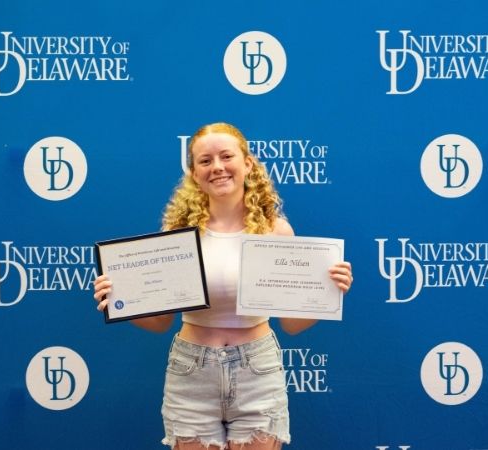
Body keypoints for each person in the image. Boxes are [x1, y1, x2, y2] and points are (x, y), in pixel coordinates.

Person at [93, 122, 353, 450]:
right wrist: (120, 300)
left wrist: (328, 291)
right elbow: (159, 323)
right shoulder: (177, 234)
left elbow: (292, 324)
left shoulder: (276, 231)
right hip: (191, 372)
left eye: (226, 156)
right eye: (205, 160)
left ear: (247, 163)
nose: (217, 167)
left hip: (258, 371)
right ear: (194, 174)